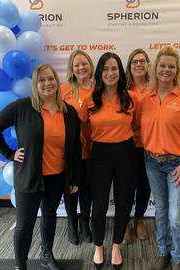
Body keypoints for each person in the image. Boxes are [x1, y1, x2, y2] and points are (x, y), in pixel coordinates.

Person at [0, 64, 82, 270]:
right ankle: (20, 264)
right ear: (35, 84)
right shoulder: (22, 107)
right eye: (41, 80)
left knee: (50, 215)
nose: (47, 83)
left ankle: (46, 254)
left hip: (57, 177)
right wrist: (9, 153)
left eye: (51, 79)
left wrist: (74, 179)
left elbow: (75, 149)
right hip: (29, 176)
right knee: (24, 224)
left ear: (57, 82)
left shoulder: (69, 112)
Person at [138, 46, 180, 270]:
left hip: (178, 165)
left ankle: (179, 257)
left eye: (171, 66)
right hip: (152, 163)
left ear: (177, 70)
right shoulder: (146, 97)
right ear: (155, 69)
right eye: (162, 65)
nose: (166, 69)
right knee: (162, 211)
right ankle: (163, 252)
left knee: (176, 215)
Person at [79, 52, 138, 270]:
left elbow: (138, 124)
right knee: (100, 205)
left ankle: (116, 246)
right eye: (105, 69)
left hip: (125, 153)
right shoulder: (90, 99)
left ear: (120, 72)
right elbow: (79, 127)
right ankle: (98, 246)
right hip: (100, 155)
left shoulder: (131, 98)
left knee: (123, 203)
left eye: (114, 68)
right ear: (99, 73)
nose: (110, 73)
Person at [61, 50, 95, 245]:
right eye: (77, 65)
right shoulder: (64, 90)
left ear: (90, 66)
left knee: (87, 190)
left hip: (93, 149)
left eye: (84, 64)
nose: (81, 68)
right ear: (71, 69)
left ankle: (85, 222)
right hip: (70, 152)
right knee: (71, 189)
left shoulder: (99, 89)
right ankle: (72, 223)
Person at [122, 48, 152, 244]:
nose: (139, 64)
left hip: (151, 145)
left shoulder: (156, 87)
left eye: (142, 61)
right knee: (127, 186)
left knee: (145, 185)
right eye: (135, 61)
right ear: (129, 66)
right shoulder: (123, 89)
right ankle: (124, 222)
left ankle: (139, 219)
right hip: (129, 145)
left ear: (148, 64)